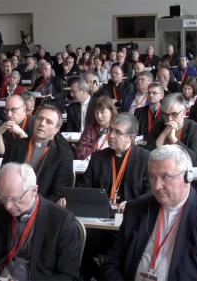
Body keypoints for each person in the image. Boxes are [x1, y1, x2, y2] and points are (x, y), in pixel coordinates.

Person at [100, 145, 197, 281]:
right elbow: (112, 263)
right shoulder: (135, 209)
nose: (156, 186)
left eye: (165, 177)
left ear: (187, 177)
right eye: (152, 177)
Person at [0, 162, 80, 279]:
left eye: (15, 199)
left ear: (33, 191)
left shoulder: (61, 220)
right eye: (2, 198)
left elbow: (70, 277)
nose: (8, 206)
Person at [77, 113, 150, 280]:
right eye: (110, 130)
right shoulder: (98, 157)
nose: (111, 135)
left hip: (130, 225)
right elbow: (84, 187)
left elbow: (151, 192)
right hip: (101, 224)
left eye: (118, 132)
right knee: (75, 244)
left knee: (124, 258)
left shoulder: (146, 159)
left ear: (131, 137)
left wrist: (132, 204)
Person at [2, 105, 73, 202]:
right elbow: (3, 178)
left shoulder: (63, 155)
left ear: (56, 130)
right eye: (39, 118)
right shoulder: (14, 145)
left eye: (49, 122)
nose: (42, 124)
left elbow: (58, 193)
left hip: (42, 208)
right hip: (10, 203)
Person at [145, 93, 197, 167]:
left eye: (174, 114)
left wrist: (174, 139)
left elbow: (196, 160)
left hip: (185, 170)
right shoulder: (158, 126)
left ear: (183, 113)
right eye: (166, 115)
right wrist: (164, 134)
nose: (169, 119)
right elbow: (147, 155)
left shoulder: (196, 129)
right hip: (162, 168)